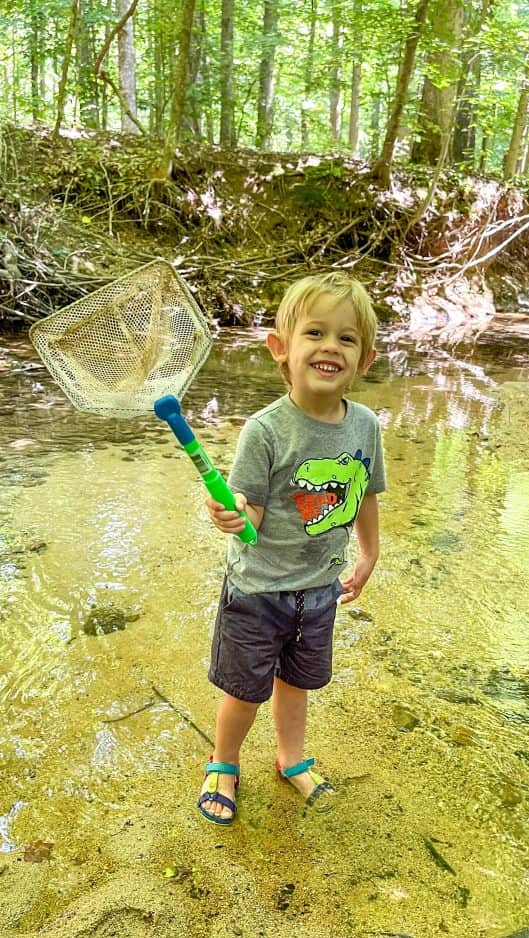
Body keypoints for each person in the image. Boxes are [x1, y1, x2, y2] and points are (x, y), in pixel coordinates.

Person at [197, 271, 386, 825]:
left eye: (346, 339)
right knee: (244, 687)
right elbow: (249, 508)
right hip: (257, 590)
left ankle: (290, 758)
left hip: (318, 587)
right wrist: (232, 512)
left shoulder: (366, 426)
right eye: (315, 333)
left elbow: (367, 493)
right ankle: (224, 763)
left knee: (297, 680)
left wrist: (369, 554)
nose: (331, 347)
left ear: (364, 359)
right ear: (281, 349)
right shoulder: (265, 430)